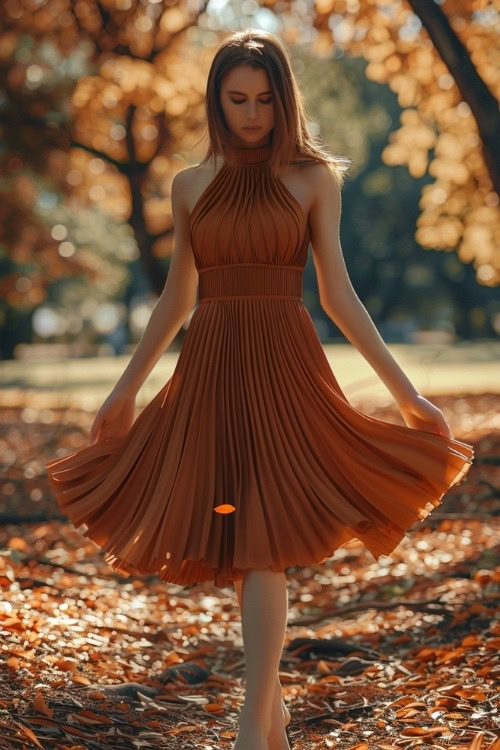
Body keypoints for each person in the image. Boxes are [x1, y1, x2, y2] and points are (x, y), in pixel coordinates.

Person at [46, 28, 474, 750]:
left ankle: (251, 726)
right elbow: (176, 300)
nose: (251, 114)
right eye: (237, 99)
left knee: (264, 543)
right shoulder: (191, 185)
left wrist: (407, 397)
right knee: (244, 534)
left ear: (284, 102)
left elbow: (340, 296)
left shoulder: (313, 178)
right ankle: (271, 728)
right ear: (216, 101)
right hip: (211, 368)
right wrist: (124, 392)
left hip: (284, 365)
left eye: (265, 100)